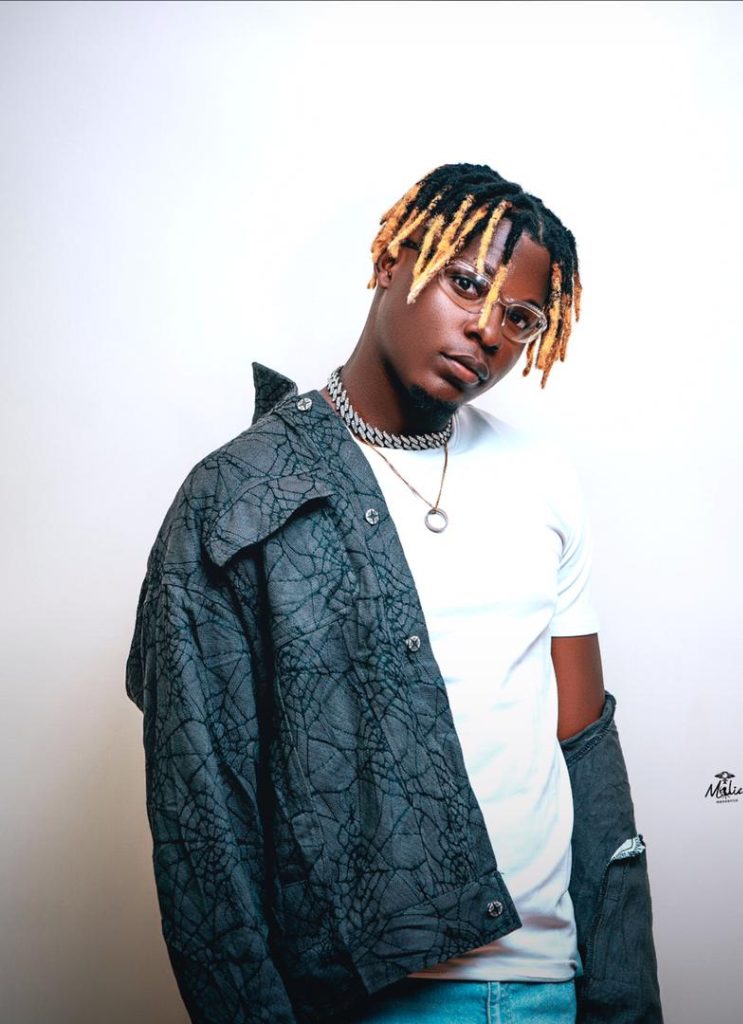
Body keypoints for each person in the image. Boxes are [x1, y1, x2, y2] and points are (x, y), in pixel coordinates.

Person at [126, 163, 662, 1024]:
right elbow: (204, 816)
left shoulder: (544, 479)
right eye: (466, 284)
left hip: (546, 984)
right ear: (389, 262)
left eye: (519, 318)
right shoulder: (240, 495)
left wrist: (622, 991)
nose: (486, 330)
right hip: (363, 994)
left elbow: (585, 744)